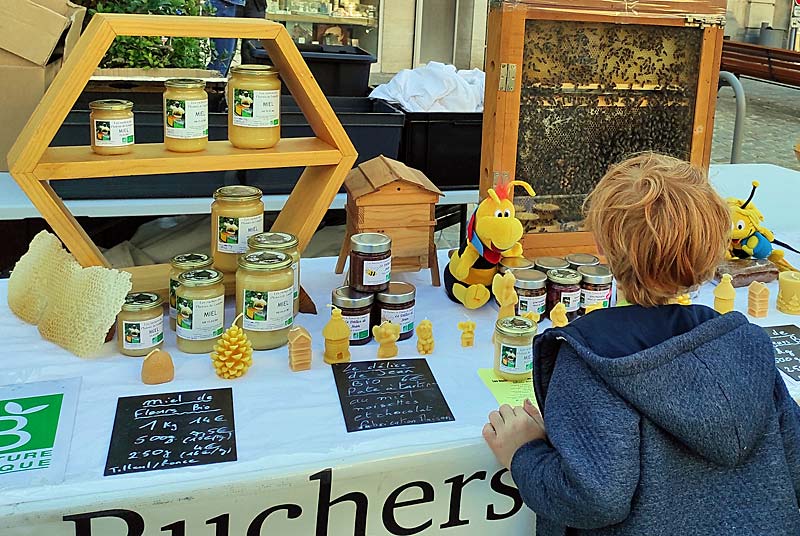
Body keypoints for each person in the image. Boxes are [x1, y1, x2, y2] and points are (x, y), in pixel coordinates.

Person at [483, 152, 800, 535]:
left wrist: (524, 453)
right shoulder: (749, 346)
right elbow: (794, 462)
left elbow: (594, 497)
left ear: (602, 246)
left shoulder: (592, 361)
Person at [207, 0, 266, 76]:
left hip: (255, 6)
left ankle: (245, 86)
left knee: (252, 57)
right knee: (222, 59)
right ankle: (213, 85)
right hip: (228, 4)